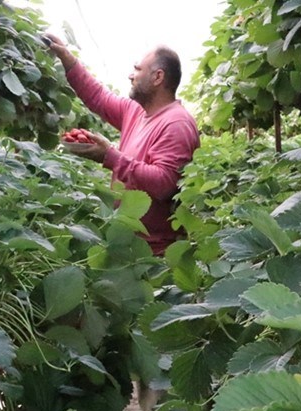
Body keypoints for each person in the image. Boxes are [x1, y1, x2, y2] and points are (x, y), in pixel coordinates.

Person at [44, 34, 200, 256]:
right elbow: (97, 96)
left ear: (158, 77)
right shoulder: (136, 111)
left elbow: (165, 184)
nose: (131, 75)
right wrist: (66, 56)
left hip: (153, 253)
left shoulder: (176, 124)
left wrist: (110, 156)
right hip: (127, 243)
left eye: (137, 69)